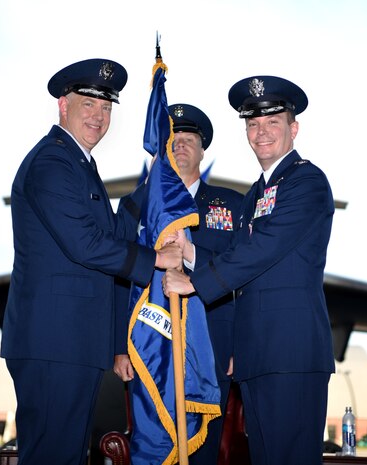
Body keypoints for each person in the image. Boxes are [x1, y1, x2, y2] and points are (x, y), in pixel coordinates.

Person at [0, 58, 183, 465]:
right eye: (88, 105)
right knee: (52, 454)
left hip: (71, 342)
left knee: (65, 454)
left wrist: (150, 189)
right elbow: (85, 244)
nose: (99, 117)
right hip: (54, 342)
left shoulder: (78, 164)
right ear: (63, 106)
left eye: (106, 108)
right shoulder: (53, 162)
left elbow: (110, 233)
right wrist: (155, 258)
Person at [164, 76, 335, 465]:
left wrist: (193, 282)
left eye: (272, 122)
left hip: (291, 352)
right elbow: (239, 257)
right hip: (258, 355)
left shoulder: (305, 181)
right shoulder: (257, 194)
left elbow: (263, 249)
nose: (261, 132)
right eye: (253, 124)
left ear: (293, 128)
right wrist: (191, 252)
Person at [113, 103, 244, 465]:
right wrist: (118, 347)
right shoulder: (135, 207)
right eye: (174, 138)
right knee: (152, 443)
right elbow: (117, 279)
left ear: (203, 150)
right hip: (149, 345)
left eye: (190, 138)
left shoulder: (230, 206)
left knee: (204, 449)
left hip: (215, 343)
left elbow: (243, 275)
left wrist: (240, 344)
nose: (181, 144)